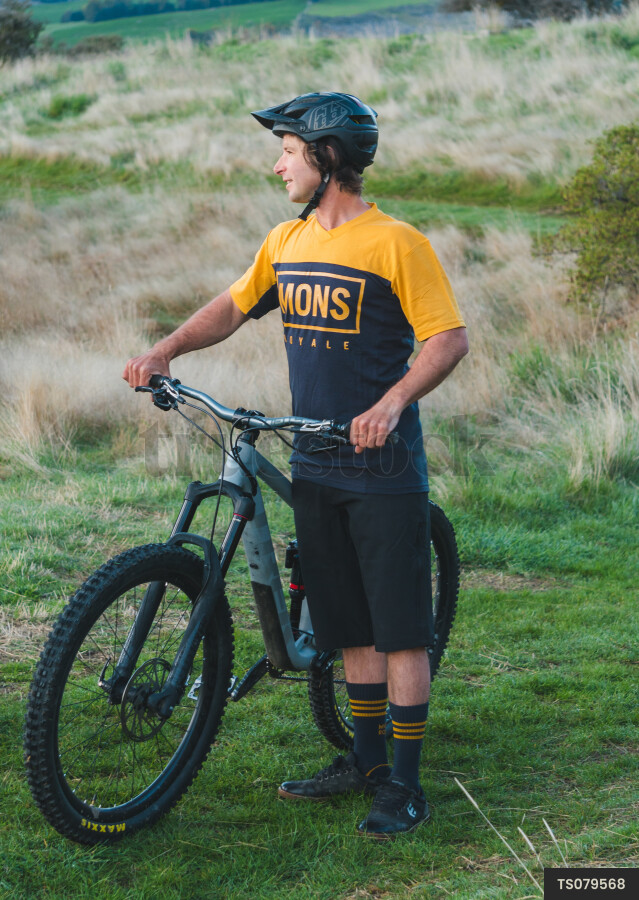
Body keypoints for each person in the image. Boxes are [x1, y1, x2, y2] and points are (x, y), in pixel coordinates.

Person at [123, 92, 468, 839]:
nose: (275, 162)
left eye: (287, 149)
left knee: (399, 631)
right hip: (314, 460)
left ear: (328, 159)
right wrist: (164, 350)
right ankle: (364, 762)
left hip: (382, 470)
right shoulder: (288, 239)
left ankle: (403, 788)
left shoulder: (396, 243)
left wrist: (392, 402)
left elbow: (446, 340)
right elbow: (232, 304)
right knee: (347, 627)